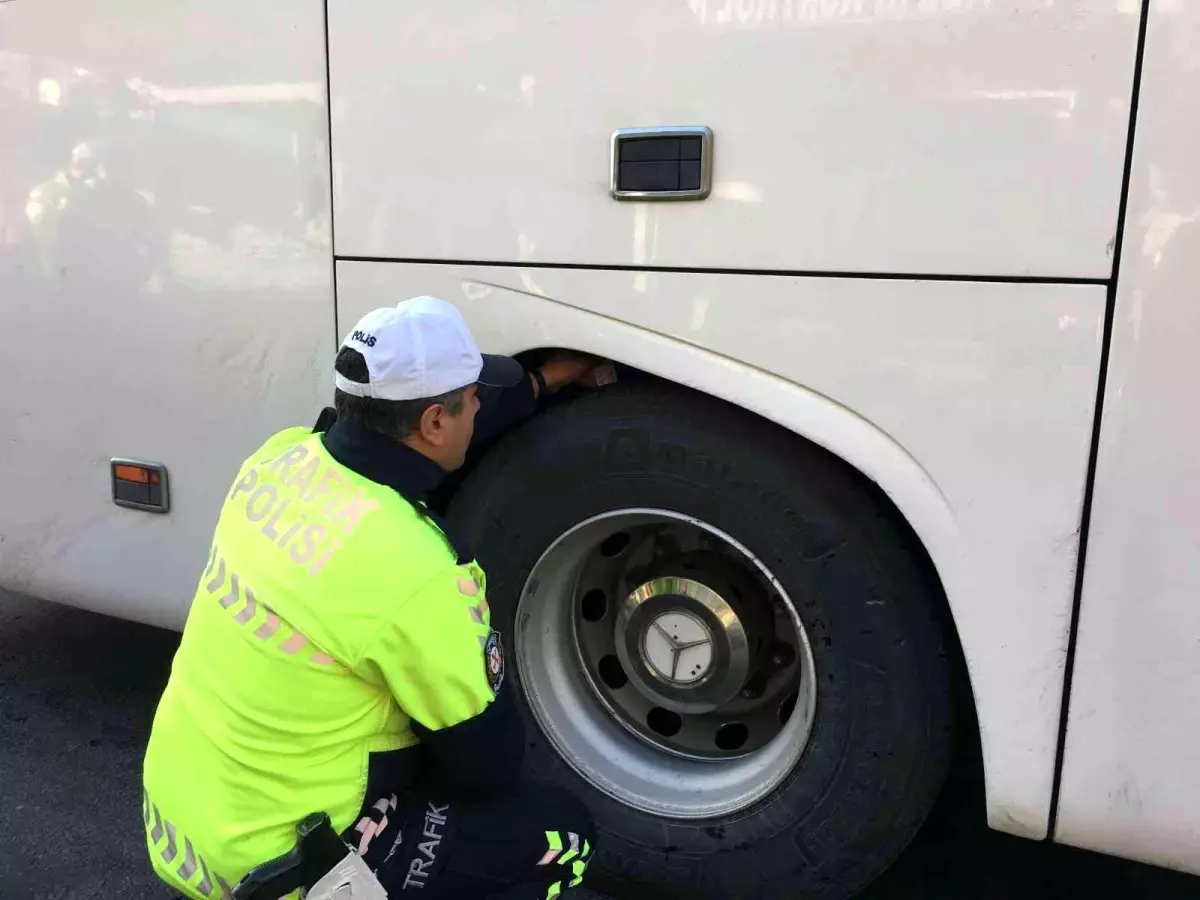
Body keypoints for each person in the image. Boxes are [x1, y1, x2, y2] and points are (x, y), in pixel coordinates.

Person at [142, 296, 599, 900]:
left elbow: (402, 438)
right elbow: (487, 768)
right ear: (435, 422)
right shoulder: (416, 567)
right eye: (473, 398)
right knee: (562, 835)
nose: (481, 406)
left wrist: (542, 381)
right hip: (286, 870)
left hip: (186, 825)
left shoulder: (279, 458)